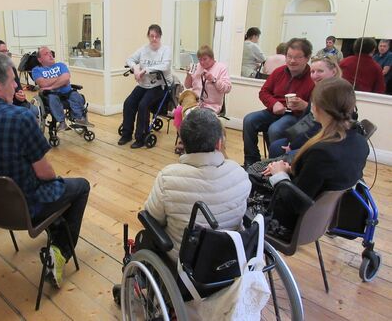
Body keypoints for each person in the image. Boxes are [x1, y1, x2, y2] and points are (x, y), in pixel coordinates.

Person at [0, 52, 90, 288]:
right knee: (80, 186)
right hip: (28, 209)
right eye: (12, 79)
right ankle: (60, 250)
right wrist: (55, 181)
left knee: (53, 189)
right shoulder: (20, 118)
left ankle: (55, 229)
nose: (16, 84)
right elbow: (46, 174)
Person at [262, 78, 369, 233]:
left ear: (317, 107)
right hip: (323, 218)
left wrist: (279, 175)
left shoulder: (322, 153)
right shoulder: (360, 143)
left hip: (291, 224)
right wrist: (290, 171)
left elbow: (296, 203)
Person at [143, 108, 251, 261]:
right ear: (219, 144)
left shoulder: (168, 178)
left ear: (183, 143)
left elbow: (154, 217)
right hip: (231, 256)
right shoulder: (239, 173)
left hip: (185, 260)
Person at [242, 38, 315, 167]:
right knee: (249, 120)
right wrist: (273, 103)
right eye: (289, 56)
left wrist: (304, 105)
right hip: (274, 111)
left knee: (275, 129)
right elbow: (264, 92)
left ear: (307, 58)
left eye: (297, 57)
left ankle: (276, 165)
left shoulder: (313, 78)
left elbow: (316, 108)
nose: (292, 61)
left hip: (296, 116)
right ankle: (251, 161)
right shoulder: (279, 72)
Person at [268, 55, 342, 158]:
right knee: (277, 145)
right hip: (312, 133)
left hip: (326, 140)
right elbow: (307, 118)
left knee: (277, 147)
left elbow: (319, 127)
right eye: (312, 72)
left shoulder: (335, 93)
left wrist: (293, 145)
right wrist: (292, 139)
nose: (315, 76)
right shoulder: (319, 90)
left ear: (333, 72)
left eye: (320, 71)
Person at [118, 24, 172, 149]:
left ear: (160, 37)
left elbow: (165, 67)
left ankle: (141, 136)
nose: (154, 39)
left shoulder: (165, 50)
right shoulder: (143, 49)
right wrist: (135, 68)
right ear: (148, 36)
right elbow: (130, 59)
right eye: (151, 36)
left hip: (160, 86)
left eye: (156, 36)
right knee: (128, 103)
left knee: (143, 105)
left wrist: (145, 70)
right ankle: (126, 134)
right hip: (144, 85)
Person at [32, 46, 89, 131]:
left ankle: (79, 119)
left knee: (76, 96)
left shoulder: (61, 65)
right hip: (51, 95)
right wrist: (60, 79)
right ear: (40, 59)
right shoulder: (36, 70)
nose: (50, 55)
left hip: (67, 93)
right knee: (52, 98)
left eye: (51, 53)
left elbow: (66, 78)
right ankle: (62, 122)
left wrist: (51, 86)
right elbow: (43, 83)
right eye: (46, 54)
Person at [0, 37, 35, 110]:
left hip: (16, 102)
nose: (6, 54)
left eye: (7, 51)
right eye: (3, 51)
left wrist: (19, 93)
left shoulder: (11, 67)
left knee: (35, 111)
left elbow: (17, 86)